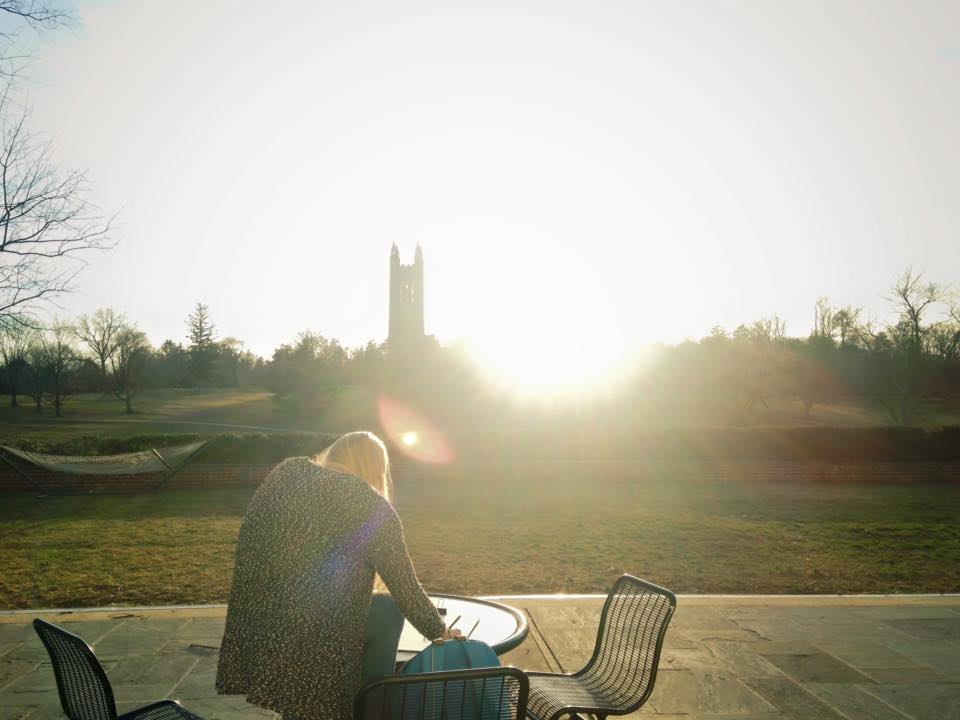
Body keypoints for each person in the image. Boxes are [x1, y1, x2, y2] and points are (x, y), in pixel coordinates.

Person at [216, 431, 459, 720]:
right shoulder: (372, 507)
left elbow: (253, 537)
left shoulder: (286, 473)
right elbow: (404, 587)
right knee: (390, 612)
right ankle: (371, 707)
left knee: (311, 651)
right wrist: (440, 632)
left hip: (264, 623)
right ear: (375, 468)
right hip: (321, 637)